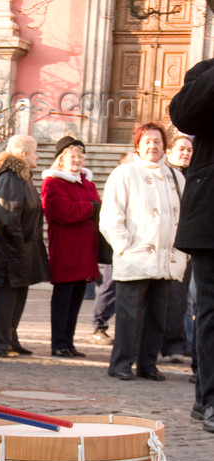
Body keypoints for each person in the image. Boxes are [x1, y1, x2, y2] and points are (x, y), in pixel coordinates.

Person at [100, 122, 188, 381]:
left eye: (158, 141)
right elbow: (110, 215)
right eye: (147, 141)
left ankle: (148, 363)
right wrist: (124, 246)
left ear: (165, 146)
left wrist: (182, 250)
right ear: (138, 145)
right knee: (129, 315)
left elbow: (184, 215)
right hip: (135, 256)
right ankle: (121, 363)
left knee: (157, 315)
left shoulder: (176, 176)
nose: (153, 146)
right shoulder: (124, 174)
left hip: (167, 258)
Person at [169, 59, 214, 432]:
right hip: (211, 215)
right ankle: (210, 398)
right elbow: (184, 115)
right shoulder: (205, 73)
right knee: (212, 311)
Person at [0, 134, 49, 357]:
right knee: (7, 298)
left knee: (19, 295)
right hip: (9, 252)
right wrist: (19, 247)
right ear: (23, 154)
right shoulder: (11, 178)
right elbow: (8, 217)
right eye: (35, 151)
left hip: (22, 250)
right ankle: (0, 343)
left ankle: (10, 339)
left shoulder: (23, 177)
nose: (37, 156)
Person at [41, 135, 100, 358]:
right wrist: (89, 208)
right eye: (72, 156)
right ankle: (59, 342)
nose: (77, 160)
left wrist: (89, 207)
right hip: (66, 249)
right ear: (61, 159)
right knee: (63, 299)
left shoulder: (88, 183)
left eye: (80, 156)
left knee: (76, 299)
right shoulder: (53, 182)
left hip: (85, 249)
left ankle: (69, 342)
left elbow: (98, 207)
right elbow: (61, 211)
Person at [91, 152, 135, 346]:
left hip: (140, 246)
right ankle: (99, 325)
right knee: (110, 286)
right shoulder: (116, 184)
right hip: (118, 245)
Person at [160, 135, 194, 363]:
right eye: (181, 148)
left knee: (180, 299)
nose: (186, 153)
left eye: (189, 150)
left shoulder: (195, 174)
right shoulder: (163, 174)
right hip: (163, 243)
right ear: (169, 151)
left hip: (187, 246)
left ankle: (176, 343)